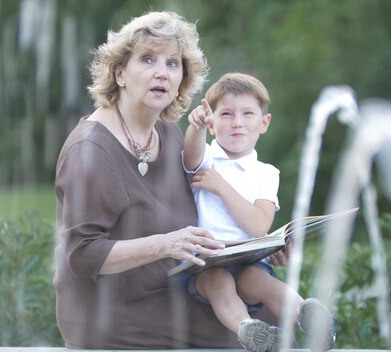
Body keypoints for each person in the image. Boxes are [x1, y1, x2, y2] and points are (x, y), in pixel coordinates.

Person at [52, 11, 282, 349]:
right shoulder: (91, 150)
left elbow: (207, 213)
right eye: (147, 59)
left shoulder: (169, 133)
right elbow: (82, 255)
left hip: (176, 289)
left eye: (173, 63)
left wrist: (260, 244)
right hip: (113, 313)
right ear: (120, 73)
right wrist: (165, 244)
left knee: (271, 317)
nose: (162, 72)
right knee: (248, 335)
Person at [182, 72, 336, 351]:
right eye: (226, 114)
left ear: (264, 123)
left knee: (263, 283)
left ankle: (308, 315)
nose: (237, 122)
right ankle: (249, 330)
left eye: (248, 114)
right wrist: (195, 127)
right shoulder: (206, 158)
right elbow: (190, 152)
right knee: (219, 285)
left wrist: (220, 186)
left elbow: (258, 227)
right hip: (205, 261)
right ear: (213, 123)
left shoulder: (266, 174)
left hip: (249, 259)